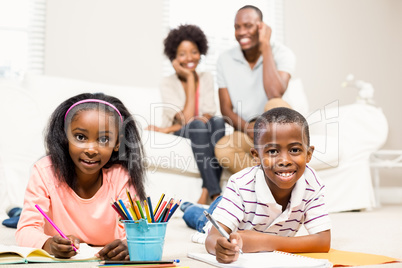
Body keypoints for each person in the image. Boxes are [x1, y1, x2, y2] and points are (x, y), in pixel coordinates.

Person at [184, 107, 331, 263]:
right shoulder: (240, 184)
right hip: (233, 205)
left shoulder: (312, 183)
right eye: (273, 151)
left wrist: (262, 241)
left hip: (245, 217)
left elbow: (323, 241)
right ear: (256, 156)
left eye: (294, 150)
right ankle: (189, 208)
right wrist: (220, 247)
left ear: (308, 154)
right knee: (202, 220)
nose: (285, 160)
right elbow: (213, 238)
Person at [15, 93, 147, 260]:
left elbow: (137, 229)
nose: (91, 150)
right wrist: (49, 244)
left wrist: (129, 244)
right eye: (80, 137)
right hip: (51, 224)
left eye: (104, 139)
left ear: (118, 143)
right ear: (65, 137)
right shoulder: (44, 171)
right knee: (19, 218)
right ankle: (15, 213)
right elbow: (26, 230)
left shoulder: (121, 176)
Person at [146, 24, 225, 204]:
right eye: (182, 54)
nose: (189, 58)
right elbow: (187, 120)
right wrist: (190, 78)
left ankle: (207, 190)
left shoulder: (206, 77)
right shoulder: (167, 83)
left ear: (201, 52)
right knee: (198, 125)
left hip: (199, 127)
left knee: (219, 122)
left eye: (194, 52)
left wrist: (168, 129)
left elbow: (209, 114)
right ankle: (215, 193)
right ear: (173, 57)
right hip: (182, 130)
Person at [215, 5, 296, 175]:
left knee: (276, 103)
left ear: (261, 27)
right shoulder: (225, 59)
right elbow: (226, 109)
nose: (241, 32)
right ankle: (266, 180)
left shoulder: (282, 53)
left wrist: (265, 46)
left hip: (276, 129)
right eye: (237, 27)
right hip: (248, 130)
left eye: (248, 26)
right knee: (223, 148)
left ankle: (271, 176)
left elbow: (275, 93)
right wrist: (249, 128)